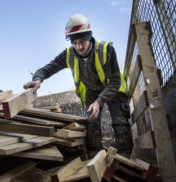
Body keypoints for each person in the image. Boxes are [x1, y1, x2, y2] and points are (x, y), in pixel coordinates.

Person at [23, 14, 133, 157]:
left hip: (113, 89)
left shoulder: (106, 50)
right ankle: (95, 158)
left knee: (119, 123)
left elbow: (115, 82)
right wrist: (38, 79)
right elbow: (48, 68)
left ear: (89, 37)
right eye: (74, 42)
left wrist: (99, 102)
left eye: (82, 41)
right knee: (92, 125)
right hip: (91, 91)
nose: (78, 46)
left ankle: (125, 159)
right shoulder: (69, 54)